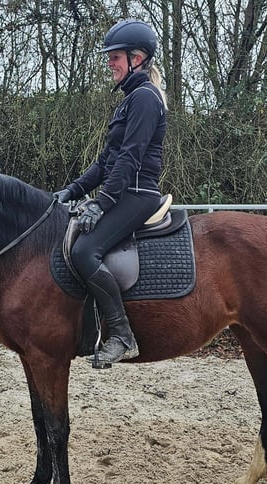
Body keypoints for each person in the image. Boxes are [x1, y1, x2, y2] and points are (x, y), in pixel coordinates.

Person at [54, 19, 169, 364]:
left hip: (138, 194)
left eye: (115, 56)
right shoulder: (129, 100)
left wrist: (101, 204)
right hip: (124, 190)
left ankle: (121, 334)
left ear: (138, 58)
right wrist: (71, 191)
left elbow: (131, 158)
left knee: (85, 252)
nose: (110, 63)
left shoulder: (146, 99)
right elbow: (106, 162)